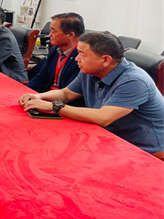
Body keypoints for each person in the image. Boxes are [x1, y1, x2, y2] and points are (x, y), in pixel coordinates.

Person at [19, 31, 164, 159]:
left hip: (143, 150)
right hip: (108, 137)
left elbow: (103, 117)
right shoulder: (90, 70)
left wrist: (54, 106)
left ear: (105, 60)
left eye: (82, 54)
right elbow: (66, 93)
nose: (76, 58)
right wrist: (39, 97)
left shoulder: (134, 81)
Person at [26, 12, 85, 107]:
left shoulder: (82, 58)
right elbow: (41, 77)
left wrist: (44, 102)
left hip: (65, 106)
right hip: (47, 99)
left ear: (70, 35)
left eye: (54, 31)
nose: (50, 34)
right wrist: (26, 92)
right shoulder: (55, 50)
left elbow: (70, 94)